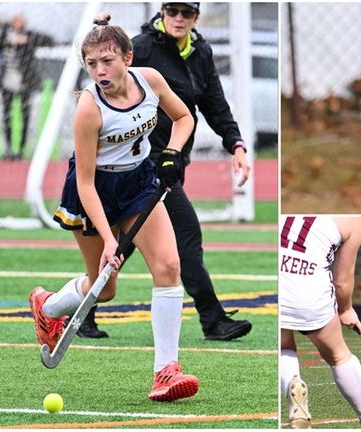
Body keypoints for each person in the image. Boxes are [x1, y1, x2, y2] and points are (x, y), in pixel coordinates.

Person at [28, 14, 199, 402]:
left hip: (139, 183)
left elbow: (184, 117)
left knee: (169, 266)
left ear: (128, 57)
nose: (100, 71)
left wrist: (172, 153)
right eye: (92, 64)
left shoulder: (150, 80)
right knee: (104, 290)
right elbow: (86, 183)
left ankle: (165, 372)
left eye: (107, 61)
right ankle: (49, 305)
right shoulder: (89, 109)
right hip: (95, 194)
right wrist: (109, 240)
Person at [82, 2, 253, 342]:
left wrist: (236, 144)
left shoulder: (200, 52)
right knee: (185, 234)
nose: (178, 18)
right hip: (145, 165)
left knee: (128, 242)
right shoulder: (140, 49)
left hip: (173, 160)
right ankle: (213, 319)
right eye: (172, 11)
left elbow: (212, 104)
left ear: (196, 18)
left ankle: (82, 310)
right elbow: (108, 95)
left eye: (186, 13)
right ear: (161, 12)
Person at [279, 216, 361, 429]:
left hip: (280, 282)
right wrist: (346, 309)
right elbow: (341, 281)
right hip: (309, 291)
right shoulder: (352, 221)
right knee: (338, 355)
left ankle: (293, 385)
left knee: (284, 346)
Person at [0, 13, 54, 159]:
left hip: (25, 84)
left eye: (21, 21)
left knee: (24, 116)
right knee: (6, 116)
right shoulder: (3, 36)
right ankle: (8, 148)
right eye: (15, 20)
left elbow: (50, 40)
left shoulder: (29, 35)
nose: (18, 23)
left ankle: (21, 149)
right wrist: (8, 40)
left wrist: (26, 40)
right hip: (6, 84)